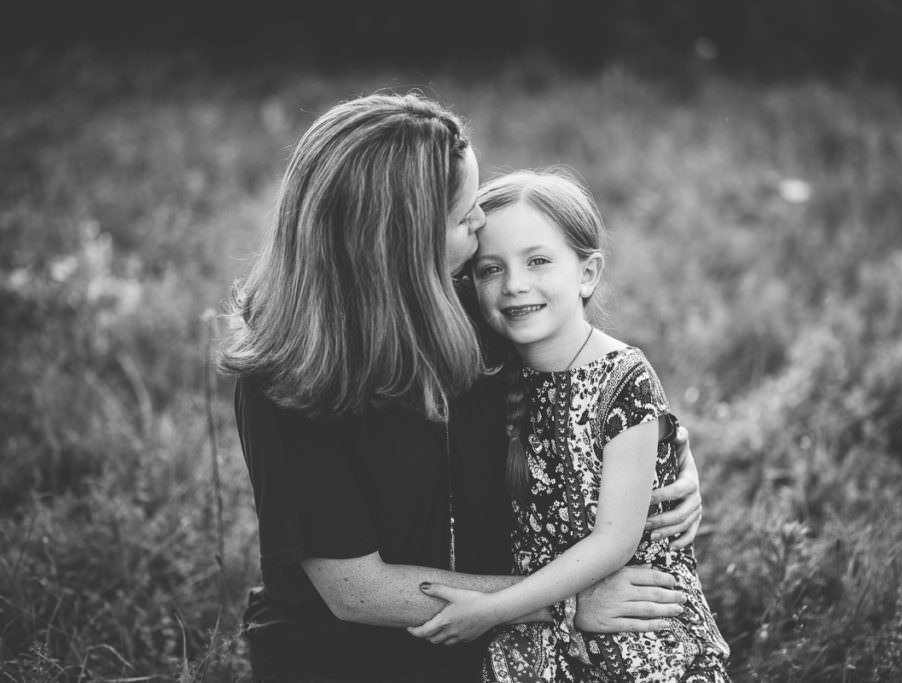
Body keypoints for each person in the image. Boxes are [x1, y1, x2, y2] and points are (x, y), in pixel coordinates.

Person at [220, 93, 704, 681]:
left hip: (491, 642)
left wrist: (670, 463)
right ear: (401, 240)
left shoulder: (473, 307)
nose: (480, 221)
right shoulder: (287, 380)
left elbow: (595, 388)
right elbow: (356, 590)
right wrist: (563, 603)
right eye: (462, 215)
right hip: (350, 656)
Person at [409, 171, 730, 681]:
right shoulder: (490, 369)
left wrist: (490, 610)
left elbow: (613, 542)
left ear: (587, 273)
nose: (515, 284)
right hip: (539, 618)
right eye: (491, 269)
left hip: (635, 611)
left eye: (538, 261)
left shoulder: (623, 377)